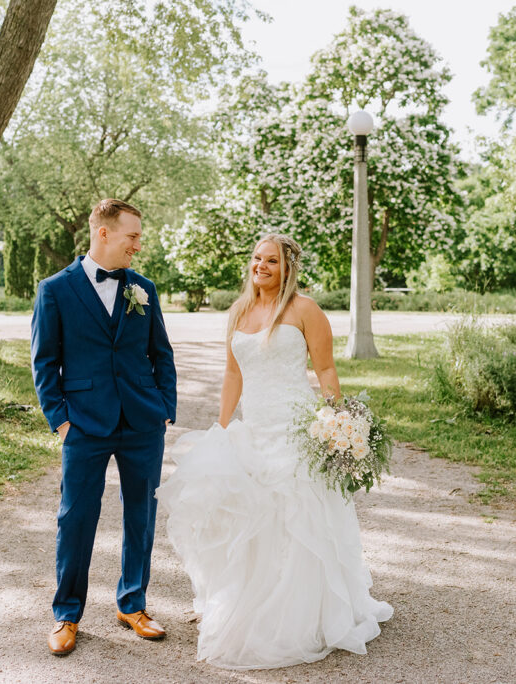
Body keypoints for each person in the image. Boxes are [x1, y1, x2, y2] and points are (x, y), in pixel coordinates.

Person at [157, 234, 392, 670]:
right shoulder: (239, 311)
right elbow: (233, 374)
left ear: (288, 269)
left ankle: (306, 614)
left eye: (271, 261)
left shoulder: (305, 310)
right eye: (256, 258)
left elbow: (325, 368)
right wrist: (222, 428)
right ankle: (252, 604)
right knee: (252, 516)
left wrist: (337, 422)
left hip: (297, 430)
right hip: (255, 429)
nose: (260, 266)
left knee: (299, 517)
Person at [30, 198, 177, 657]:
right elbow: (44, 362)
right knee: (75, 518)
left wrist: (164, 408)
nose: (138, 245)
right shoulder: (55, 290)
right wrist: (61, 422)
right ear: (104, 233)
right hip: (84, 425)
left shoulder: (144, 288)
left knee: (141, 517)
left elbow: (161, 353)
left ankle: (133, 604)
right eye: (133, 236)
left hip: (142, 422)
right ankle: (66, 614)